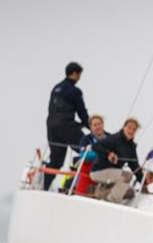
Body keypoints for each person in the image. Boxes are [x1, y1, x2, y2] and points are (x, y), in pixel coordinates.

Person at [44, 62, 89, 190]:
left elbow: (53, 109)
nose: (80, 78)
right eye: (80, 74)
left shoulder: (56, 88)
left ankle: (43, 187)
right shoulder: (75, 91)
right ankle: (73, 183)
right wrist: (91, 127)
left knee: (56, 161)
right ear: (74, 74)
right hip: (66, 126)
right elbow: (82, 112)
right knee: (87, 150)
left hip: (51, 126)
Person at [90, 118, 143, 203]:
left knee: (130, 192)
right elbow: (96, 146)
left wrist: (144, 182)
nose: (131, 131)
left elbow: (135, 166)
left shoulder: (131, 147)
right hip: (99, 171)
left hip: (112, 174)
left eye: (134, 129)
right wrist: (109, 154)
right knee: (127, 176)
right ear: (124, 127)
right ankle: (112, 201)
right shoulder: (115, 138)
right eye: (129, 127)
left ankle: (100, 195)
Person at [73, 115, 109, 195]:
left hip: (107, 170)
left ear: (103, 124)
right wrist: (101, 153)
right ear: (91, 127)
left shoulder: (110, 138)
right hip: (89, 171)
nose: (97, 127)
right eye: (95, 125)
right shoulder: (86, 139)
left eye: (99, 124)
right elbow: (84, 156)